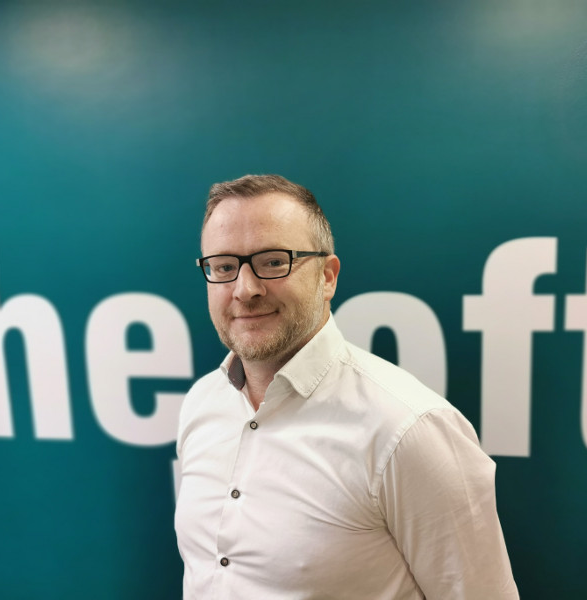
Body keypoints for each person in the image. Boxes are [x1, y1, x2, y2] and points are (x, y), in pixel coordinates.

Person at [174, 174, 519, 599]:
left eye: (273, 261)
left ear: (328, 277)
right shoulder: (202, 404)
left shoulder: (408, 431)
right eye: (224, 267)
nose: (246, 290)